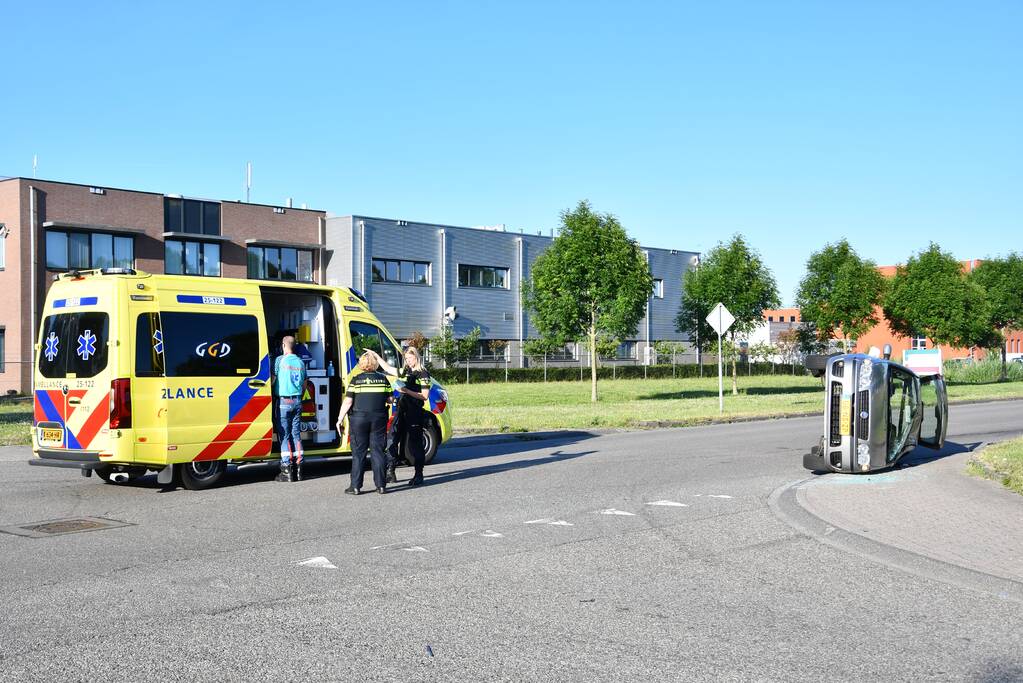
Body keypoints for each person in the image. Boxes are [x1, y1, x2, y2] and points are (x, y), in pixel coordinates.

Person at [370, 346, 431, 487]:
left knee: (414, 443)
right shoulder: (405, 371)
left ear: (416, 357)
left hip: (414, 412)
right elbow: (388, 368)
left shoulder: (423, 374)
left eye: (410, 358)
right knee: (392, 439)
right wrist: (376, 355)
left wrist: (406, 390)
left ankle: (418, 474)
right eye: (406, 359)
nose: (408, 361)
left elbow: (425, 396)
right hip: (400, 411)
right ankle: (391, 471)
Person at [335, 351, 392, 495]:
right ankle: (381, 486)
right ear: (375, 363)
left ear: (361, 364)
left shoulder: (356, 380)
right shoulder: (383, 379)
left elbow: (348, 401)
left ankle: (355, 486)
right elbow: (390, 400)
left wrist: (339, 419)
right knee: (378, 452)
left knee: (359, 453)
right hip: (378, 419)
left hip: (359, 419)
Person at [274, 335, 308, 483]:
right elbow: (305, 382)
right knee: (296, 434)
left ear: (283, 345)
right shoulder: (300, 362)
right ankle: (299, 469)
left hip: (283, 401)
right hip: (297, 400)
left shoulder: (280, 360)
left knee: (284, 435)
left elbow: (274, 379)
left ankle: (286, 470)